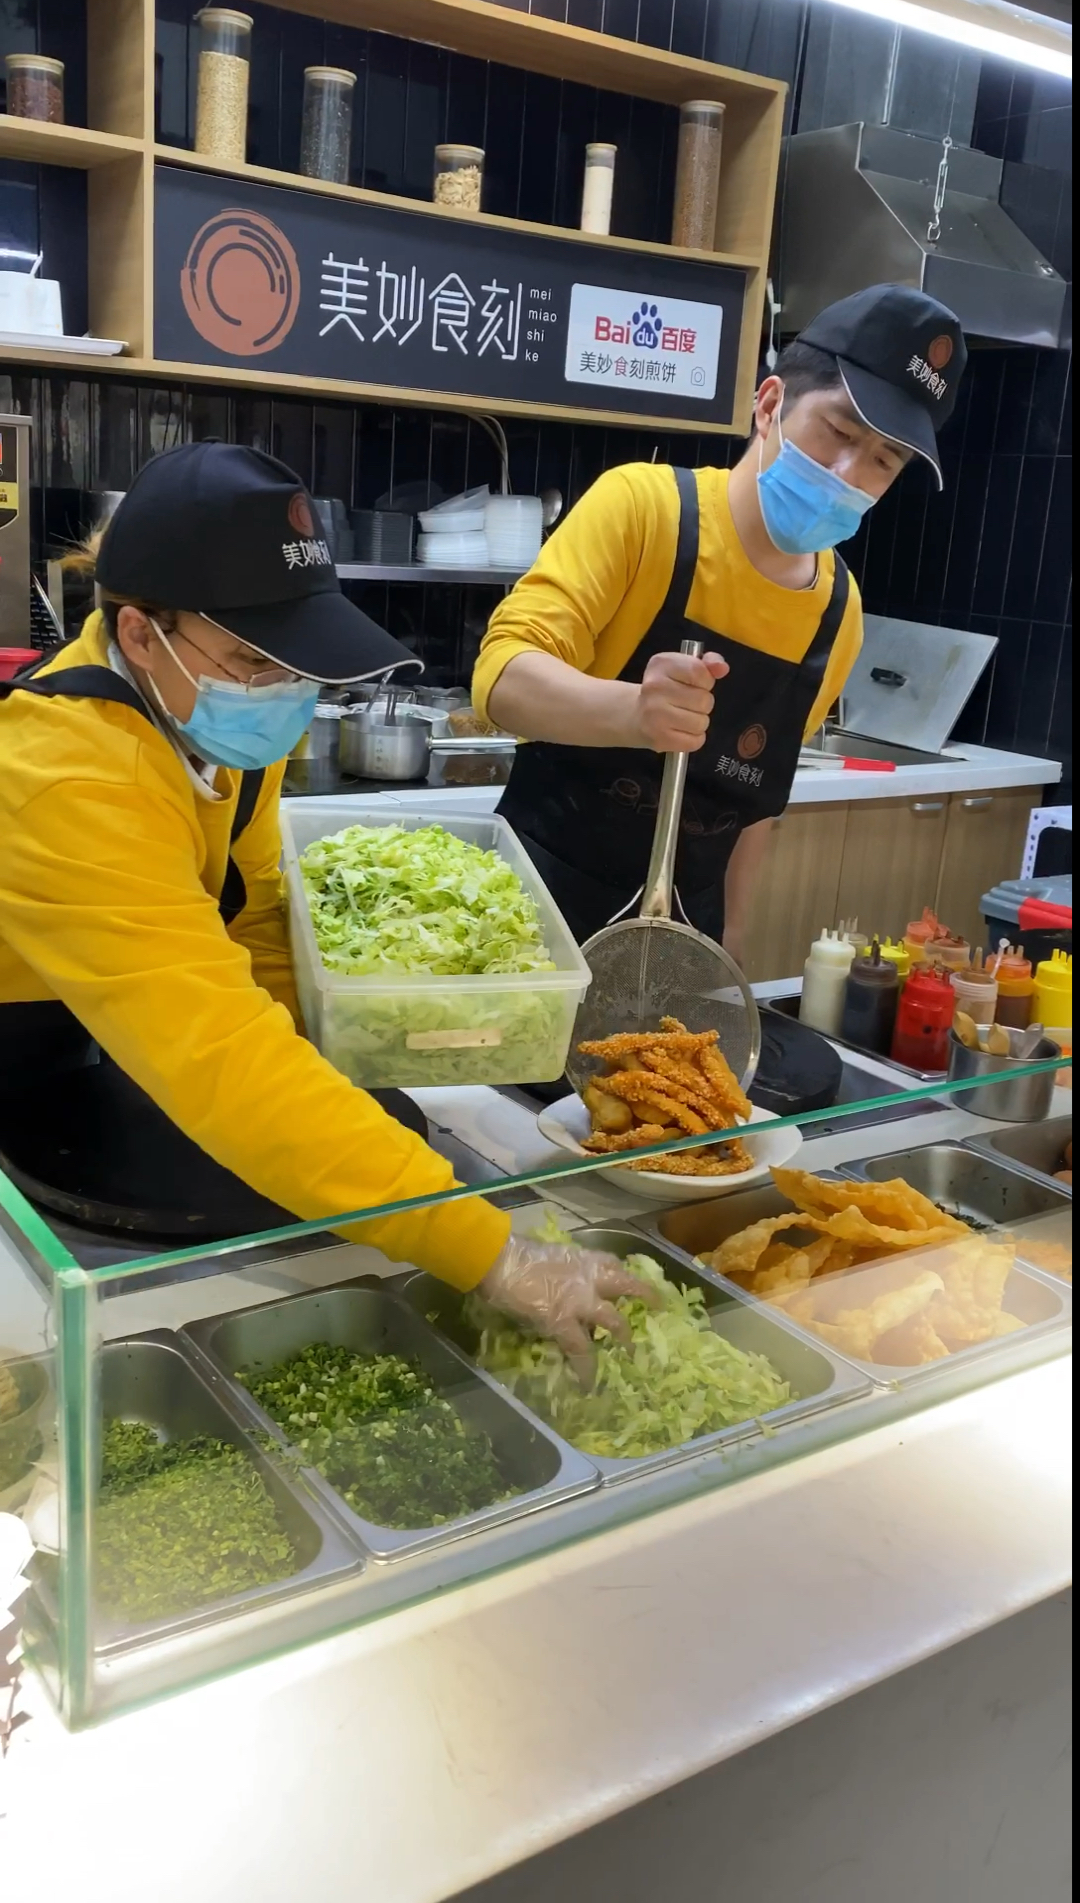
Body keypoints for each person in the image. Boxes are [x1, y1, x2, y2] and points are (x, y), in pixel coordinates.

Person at [0, 441, 646, 1377]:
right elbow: (221, 1058)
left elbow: (258, 921)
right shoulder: (66, 774)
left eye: (295, 661)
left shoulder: (205, 721)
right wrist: (488, 1251)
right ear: (139, 633)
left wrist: (335, 1077)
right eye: (251, 659)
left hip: (104, 1044)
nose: (284, 690)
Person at [474, 284, 968, 963]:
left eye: (884, 461)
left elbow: (755, 804)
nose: (849, 473)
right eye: (839, 432)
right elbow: (501, 677)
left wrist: (730, 942)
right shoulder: (644, 509)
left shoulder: (838, 612)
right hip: (536, 908)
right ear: (769, 405)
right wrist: (633, 712)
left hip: (686, 932)